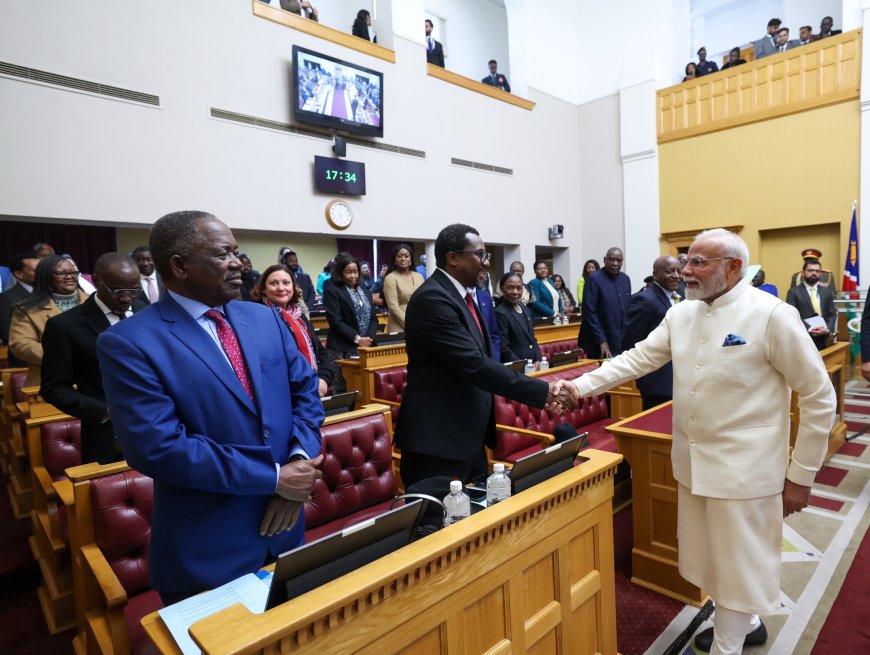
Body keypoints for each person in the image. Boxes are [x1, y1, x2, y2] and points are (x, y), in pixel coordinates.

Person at [558, 228, 835, 655]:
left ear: (733, 267)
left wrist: (802, 474)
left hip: (747, 472)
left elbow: (818, 395)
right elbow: (637, 359)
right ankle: (749, 622)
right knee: (713, 558)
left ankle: (728, 647)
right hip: (692, 465)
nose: (685, 269)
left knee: (739, 566)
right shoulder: (681, 314)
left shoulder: (772, 315)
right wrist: (579, 386)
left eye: (698, 262)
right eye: (686, 260)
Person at [97, 210, 325, 604]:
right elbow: (158, 447)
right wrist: (273, 478)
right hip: (208, 548)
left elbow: (305, 393)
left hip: (286, 531)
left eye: (236, 252)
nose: (238, 263)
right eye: (223, 255)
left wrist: (298, 462)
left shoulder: (265, 318)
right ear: (179, 266)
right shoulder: (129, 342)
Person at [393, 223, 571, 489]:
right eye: (480, 254)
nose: (486, 262)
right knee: (441, 515)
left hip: (468, 436)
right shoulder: (433, 299)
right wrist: (542, 391)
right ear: (453, 258)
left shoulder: (463, 295)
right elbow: (474, 364)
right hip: (438, 442)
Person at [40, 253, 141, 465]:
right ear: (96, 281)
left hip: (159, 426)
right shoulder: (65, 325)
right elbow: (54, 388)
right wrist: (104, 411)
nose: (126, 298)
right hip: (106, 436)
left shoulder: (145, 312)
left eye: (133, 290)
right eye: (118, 291)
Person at [9, 255, 90, 386]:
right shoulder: (26, 308)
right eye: (61, 273)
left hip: (92, 379)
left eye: (73, 272)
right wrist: (64, 355)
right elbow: (21, 345)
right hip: (50, 379)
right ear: (46, 276)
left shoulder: (93, 302)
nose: (69, 277)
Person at [253, 264, 333, 396]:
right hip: (282, 393)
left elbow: (321, 351)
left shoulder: (298, 315)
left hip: (312, 389)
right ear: (263, 289)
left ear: (293, 287)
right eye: (273, 283)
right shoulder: (257, 317)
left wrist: (323, 379)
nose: (281, 288)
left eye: (286, 283)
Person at [622, 256, 681, 410]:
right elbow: (630, 342)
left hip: (677, 378)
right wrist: (643, 378)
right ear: (655, 274)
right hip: (656, 382)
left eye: (678, 271)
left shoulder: (677, 297)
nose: (676, 275)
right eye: (670, 271)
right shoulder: (645, 300)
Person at [323, 252, 379, 392]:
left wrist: (369, 338)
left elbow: (373, 318)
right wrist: (358, 339)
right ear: (341, 273)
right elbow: (335, 320)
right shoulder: (333, 290)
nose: (353, 276)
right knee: (342, 388)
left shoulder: (364, 290)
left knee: (364, 388)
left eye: (355, 272)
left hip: (365, 347)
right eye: (348, 272)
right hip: (342, 347)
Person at [578, 247, 631, 359]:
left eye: (619, 260)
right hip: (599, 342)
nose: (615, 263)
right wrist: (601, 341)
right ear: (604, 260)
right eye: (612, 259)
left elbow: (626, 309)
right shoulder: (594, 278)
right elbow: (589, 312)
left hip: (620, 340)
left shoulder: (625, 279)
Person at [785, 258, 837, 351]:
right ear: (803, 273)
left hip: (824, 339)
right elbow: (791, 314)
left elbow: (832, 313)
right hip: (803, 338)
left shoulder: (826, 291)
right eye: (810, 270)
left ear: (821, 274)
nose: (814, 273)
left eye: (817, 271)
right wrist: (810, 328)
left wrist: (827, 329)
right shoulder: (793, 292)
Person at [0, 253, 39, 367]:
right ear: (19, 274)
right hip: (25, 363)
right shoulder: (6, 299)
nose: (42, 273)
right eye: (36, 270)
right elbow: (8, 336)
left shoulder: (50, 293)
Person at [495, 271, 541, 364]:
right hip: (517, 367)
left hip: (533, 364)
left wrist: (538, 360)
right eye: (510, 288)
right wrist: (524, 366)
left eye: (519, 288)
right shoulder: (500, 313)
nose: (515, 292)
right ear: (502, 289)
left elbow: (533, 339)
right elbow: (504, 348)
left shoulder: (525, 309)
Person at [383, 243, 424, 333]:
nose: (403, 259)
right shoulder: (390, 278)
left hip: (419, 325)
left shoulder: (419, 276)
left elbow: (424, 301)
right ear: (395, 261)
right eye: (399, 256)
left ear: (410, 259)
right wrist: (411, 325)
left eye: (406, 256)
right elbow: (393, 307)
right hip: (399, 326)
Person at [474, 270, 500, 357]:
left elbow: (494, 335)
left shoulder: (485, 296)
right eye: (479, 271)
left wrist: (495, 360)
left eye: (484, 273)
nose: (483, 277)